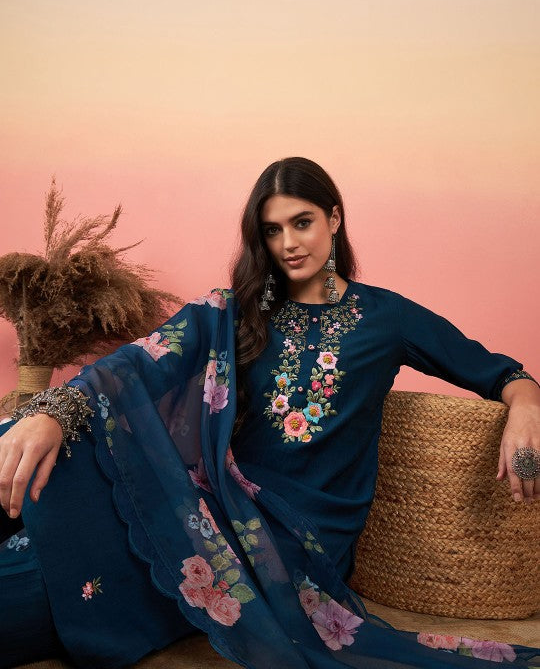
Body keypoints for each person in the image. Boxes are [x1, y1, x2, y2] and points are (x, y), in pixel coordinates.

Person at [0, 156, 539, 669]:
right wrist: (53, 412)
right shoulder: (237, 311)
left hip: (288, 542)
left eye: (302, 222)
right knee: (36, 449)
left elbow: (501, 373)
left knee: (41, 580)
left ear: (334, 218)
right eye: (272, 230)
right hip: (208, 502)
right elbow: (144, 360)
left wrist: (526, 407)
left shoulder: (387, 318)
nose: (288, 244)